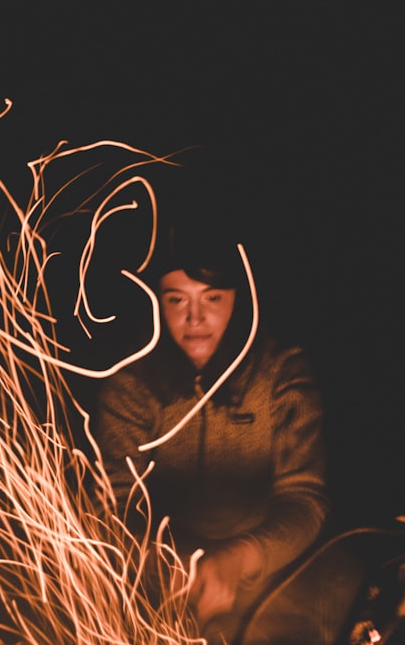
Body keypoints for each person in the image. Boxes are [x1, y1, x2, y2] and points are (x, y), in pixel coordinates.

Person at [94, 224, 330, 643]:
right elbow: (116, 505)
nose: (194, 318)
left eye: (213, 299)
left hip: (268, 576)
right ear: (156, 305)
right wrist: (177, 565)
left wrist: (239, 559)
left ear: (240, 302)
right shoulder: (129, 385)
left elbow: (305, 500)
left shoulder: (282, 375)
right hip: (155, 580)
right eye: (176, 300)